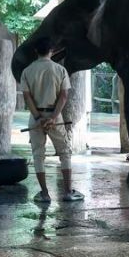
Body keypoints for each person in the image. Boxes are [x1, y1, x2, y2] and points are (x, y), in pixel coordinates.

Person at [20, 36, 84, 203]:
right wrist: (53, 117)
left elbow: (27, 98)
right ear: (52, 51)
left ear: (36, 51)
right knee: (65, 153)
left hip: (36, 118)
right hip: (57, 117)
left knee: (38, 155)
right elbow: (63, 96)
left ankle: (45, 194)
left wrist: (39, 118)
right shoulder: (60, 70)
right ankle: (68, 192)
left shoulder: (27, 71)